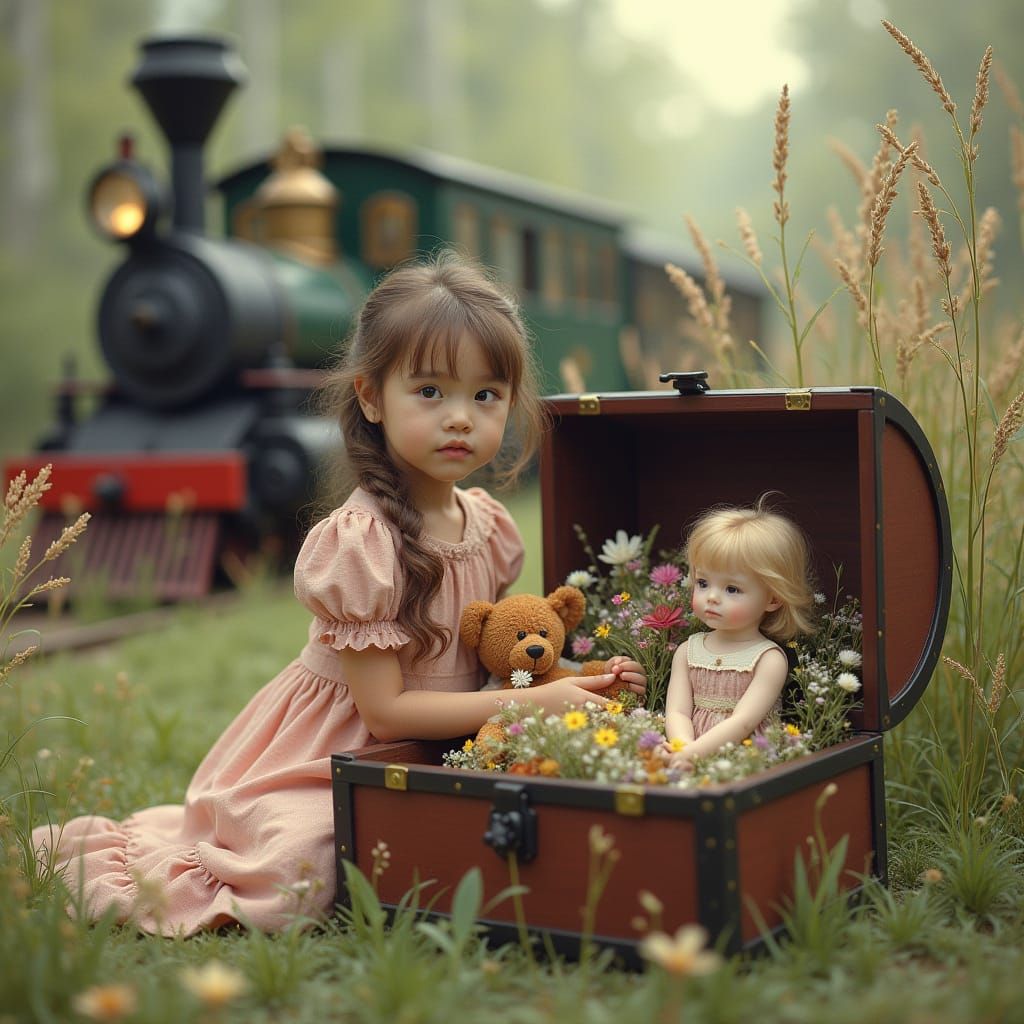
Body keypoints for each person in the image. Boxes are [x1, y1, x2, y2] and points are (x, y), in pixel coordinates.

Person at [34, 252, 645, 935]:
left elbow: (500, 659)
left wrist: (579, 683)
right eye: (431, 392)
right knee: (307, 864)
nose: (460, 419)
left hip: (440, 739)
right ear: (370, 396)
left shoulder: (491, 527)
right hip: (334, 751)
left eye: (485, 396)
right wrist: (533, 699)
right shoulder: (361, 541)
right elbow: (384, 714)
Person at [663, 499, 814, 767]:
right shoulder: (688, 651)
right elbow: (677, 711)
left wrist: (693, 754)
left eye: (732, 589)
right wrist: (682, 749)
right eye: (703, 582)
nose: (711, 597)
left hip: (745, 758)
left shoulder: (768, 659)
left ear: (773, 599)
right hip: (688, 752)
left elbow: (743, 722)